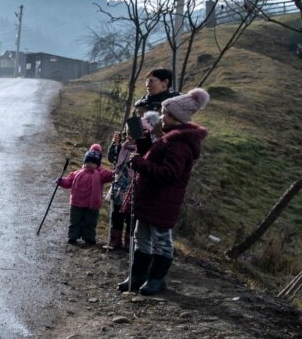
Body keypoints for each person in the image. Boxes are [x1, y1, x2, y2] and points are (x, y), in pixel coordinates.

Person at [118, 88, 210, 295]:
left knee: (161, 240)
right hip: (150, 198)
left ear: (178, 117)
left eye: (166, 114)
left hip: (162, 201)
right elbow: (151, 158)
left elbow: (169, 174)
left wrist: (140, 164)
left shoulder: (180, 144)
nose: (161, 117)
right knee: (140, 237)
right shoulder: (169, 137)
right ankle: (138, 276)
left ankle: (156, 279)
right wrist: (141, 141)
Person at [104, 111, 160, 251]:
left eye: (132, 134)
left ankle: (130, 242)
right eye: (127, 133)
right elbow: (112, 159)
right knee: (116, 214)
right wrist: (114, 145)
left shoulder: (144, 150)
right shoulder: (122, 146)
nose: (129, 137)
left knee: (131, 216)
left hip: (133, 187)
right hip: (119, 185)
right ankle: (115, 239)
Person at [57, 144, 115, 246]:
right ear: (84, 161)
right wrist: (61, 182)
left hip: (92, 205)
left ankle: (89, 238)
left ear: (97, 164)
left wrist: (116, 171)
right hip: (76, 203)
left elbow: (110, 175)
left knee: (90, 222)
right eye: (88, 161)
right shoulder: (77, 173)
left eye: (93, 162)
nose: (90, 164)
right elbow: (68, 182)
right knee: (75, 221)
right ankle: (72, 236)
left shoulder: (101, 174)